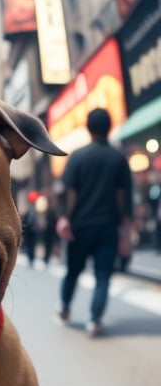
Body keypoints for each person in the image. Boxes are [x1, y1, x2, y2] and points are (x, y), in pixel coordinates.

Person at [55, 108, 132, 337]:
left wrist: (65, 218)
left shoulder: (78, 157)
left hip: (80, 226)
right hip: (108, 227)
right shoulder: (118, 158)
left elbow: (70, 193)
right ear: (109, 127)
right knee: (103, 276)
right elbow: (123, 197)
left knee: (73, 272)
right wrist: (125, 230)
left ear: (88, 128)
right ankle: (94, 320)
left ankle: (65, 310)